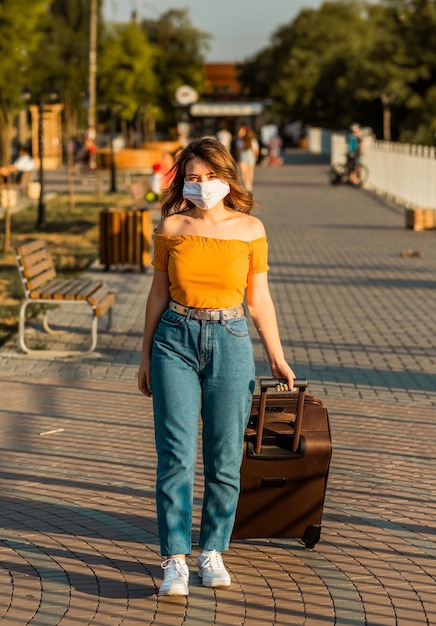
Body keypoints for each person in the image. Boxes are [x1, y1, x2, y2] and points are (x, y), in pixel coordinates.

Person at [137, 137, 295, 597]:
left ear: (227, 178)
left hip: (231, 341)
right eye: (193, 177)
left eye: (210, 177)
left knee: (226, 458)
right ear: (182, 181)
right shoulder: (171, 226)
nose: (202, 185)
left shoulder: (250, 229)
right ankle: (174, 560)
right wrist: (145, 354)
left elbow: (259, 298)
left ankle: (212, 550)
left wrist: (276, 353)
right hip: (174, 342)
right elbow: (157, 293)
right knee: (175, 458)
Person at [235, 125, 259, 192]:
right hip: (245, 156)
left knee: (249, 171)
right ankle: (246, 184)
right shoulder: (240, 140)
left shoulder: (252, 140)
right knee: (244, 171)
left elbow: (256, 149)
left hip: (249, 155)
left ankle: (248, 183)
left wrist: (256, 157)